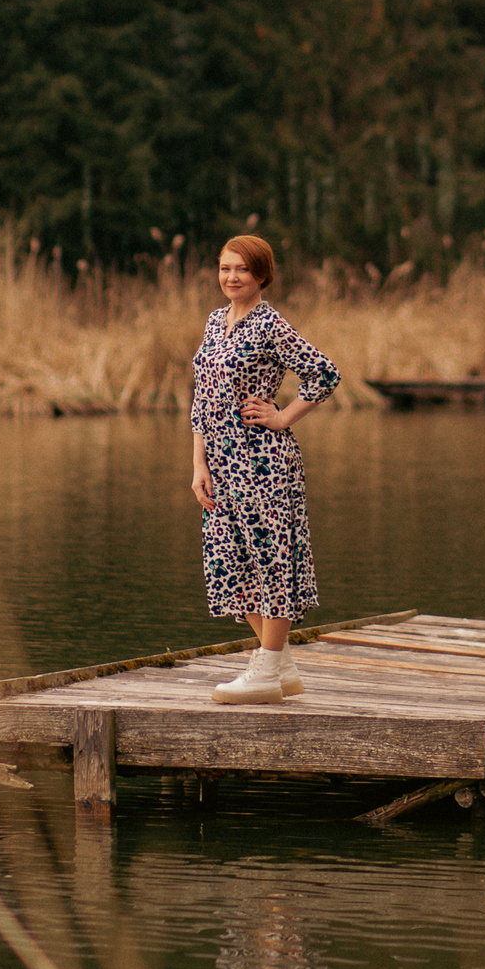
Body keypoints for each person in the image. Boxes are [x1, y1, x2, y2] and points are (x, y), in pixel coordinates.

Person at [189, 234, 341, 704]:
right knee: (230, 561)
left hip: (262, 462)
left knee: (270, 560)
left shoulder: (270, 325)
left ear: (261, 275)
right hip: (220, 463)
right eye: (224, 268)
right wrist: (198, 463)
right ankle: (281, 664)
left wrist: (282, 417)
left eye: (242, 270)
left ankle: (266, 669)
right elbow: (203, 398)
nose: (231, 277)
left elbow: (325, 373)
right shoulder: (217, 323)